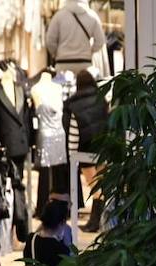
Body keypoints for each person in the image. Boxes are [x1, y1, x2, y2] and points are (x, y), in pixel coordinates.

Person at [65, 70, 110, 232]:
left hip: (85, 151)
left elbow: (73, 133)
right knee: (101, 186)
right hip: (103, 148)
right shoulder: (102, 99)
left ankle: (95, 222)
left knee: (95, 187)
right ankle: (98, 221)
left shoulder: (73, 105)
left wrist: (71, 156)